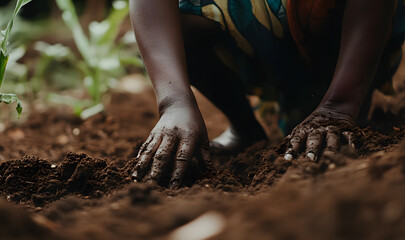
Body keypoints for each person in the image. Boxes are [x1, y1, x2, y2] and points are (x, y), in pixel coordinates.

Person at [129, 0, 405, 188]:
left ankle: (337, 97)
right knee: (182, 14)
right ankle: (244, 127)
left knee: (322, 114)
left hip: (342, 31)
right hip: (257, 39)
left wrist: (339, 106)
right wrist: (174, 102)